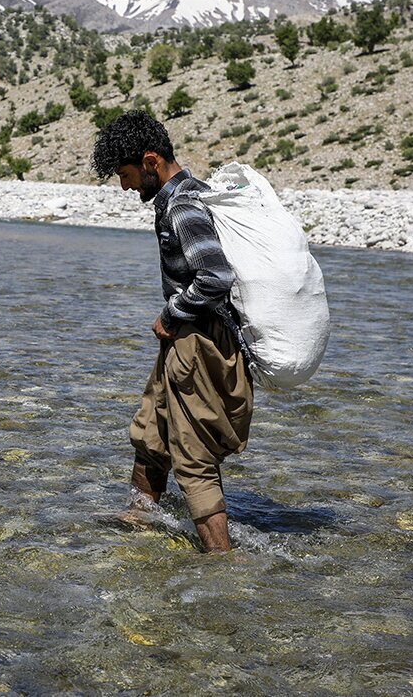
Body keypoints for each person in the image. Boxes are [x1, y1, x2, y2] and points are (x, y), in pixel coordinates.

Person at [91, 110, 254, 553]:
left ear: (150, 161)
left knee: (194, 459)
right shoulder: (188, 195)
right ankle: (138, 523)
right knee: (150, 435)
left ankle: (223, 567)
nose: (124, 187)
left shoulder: (182, 205)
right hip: (184, 340)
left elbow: (216, 277)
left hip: (197, 342)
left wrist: (171, 312)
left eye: (125, 176)